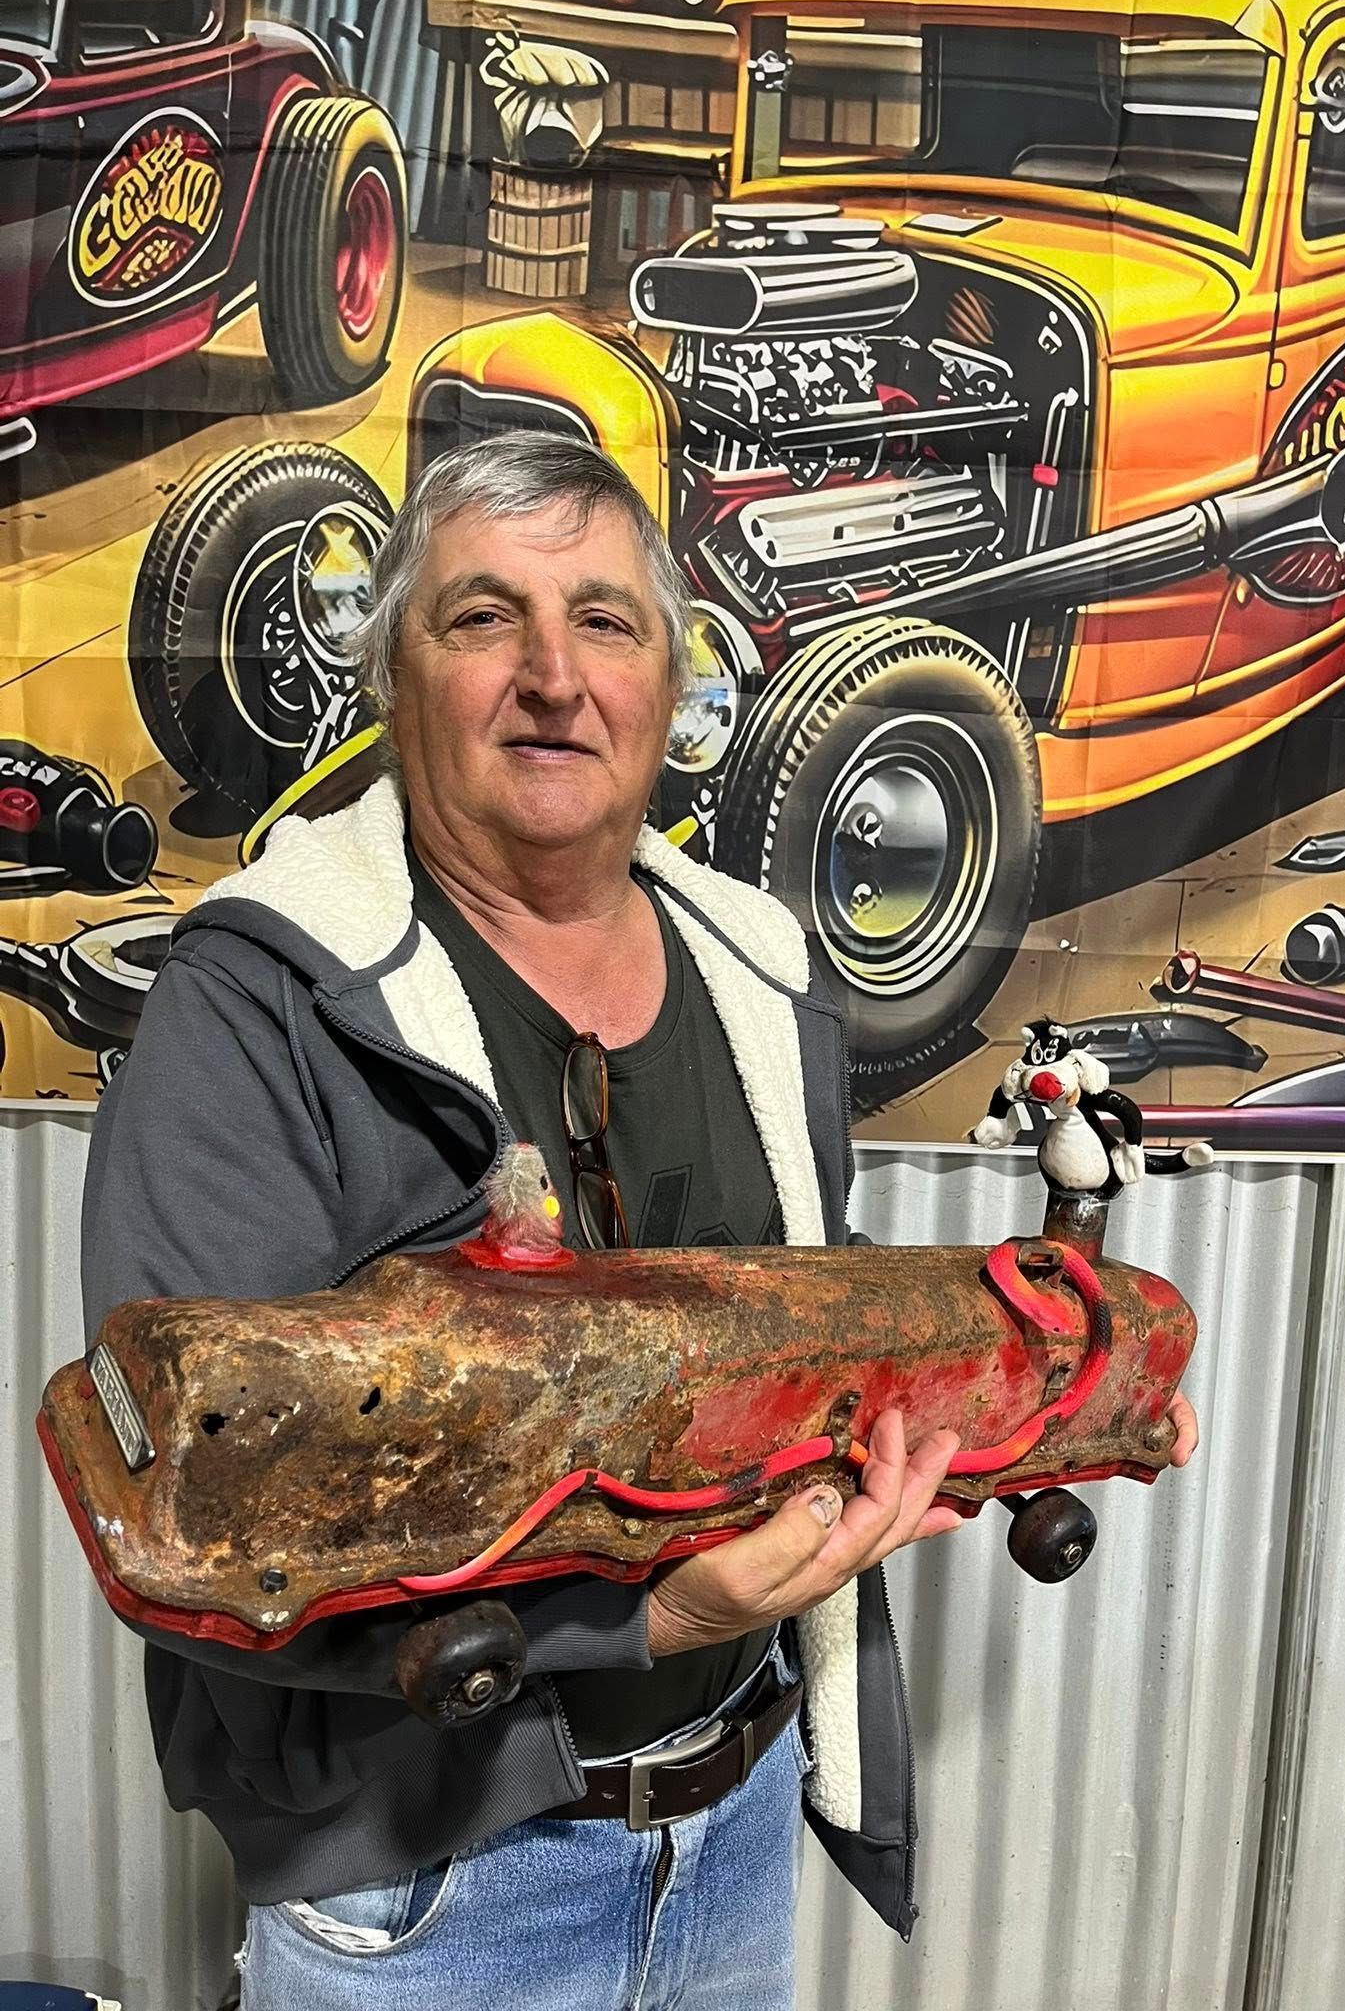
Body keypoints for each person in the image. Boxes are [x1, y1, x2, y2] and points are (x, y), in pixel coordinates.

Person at [81, 434, 1198, 2009]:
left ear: (674, 686)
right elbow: (194, 1516)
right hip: (426, 1893)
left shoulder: (758, 971)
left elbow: (783, 1311)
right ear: (395, 674)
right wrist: (640, 1614)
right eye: (484, 619)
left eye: (607, 622)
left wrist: (1038, 1374)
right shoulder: (255, 1004)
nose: (555, 675)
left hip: (731, 1829)